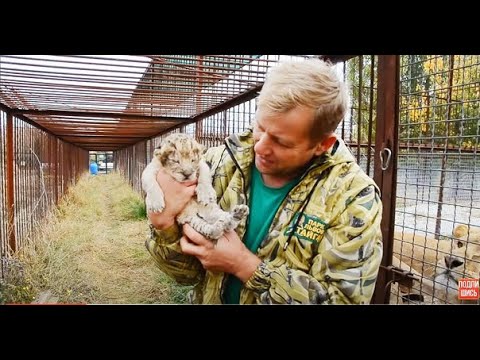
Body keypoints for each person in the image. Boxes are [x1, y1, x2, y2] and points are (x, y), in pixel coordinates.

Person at [146, 58, 383, 304]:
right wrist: (165, 228)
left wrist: (244, 265)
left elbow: (342, 300)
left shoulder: (353, 197)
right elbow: (186, 276)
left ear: (322, 145)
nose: (259, 146)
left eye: (281, 142)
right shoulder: (218, 163)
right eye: (259, 126)